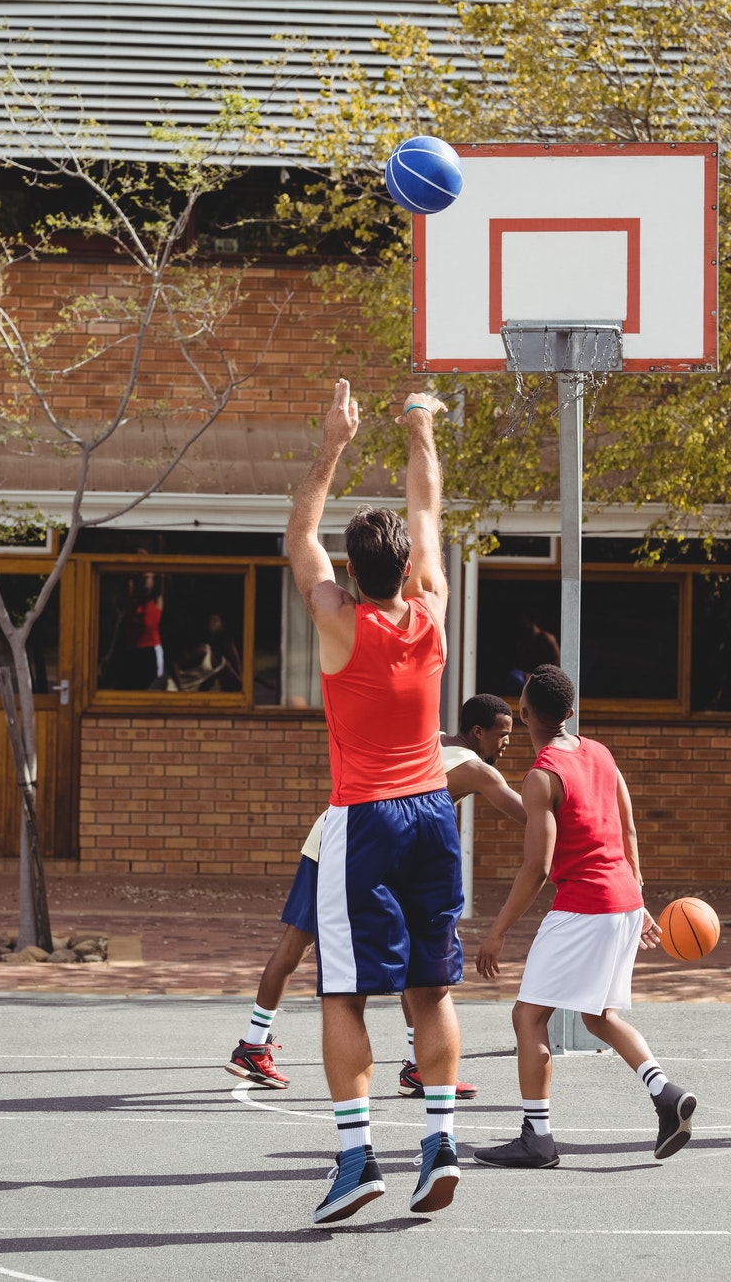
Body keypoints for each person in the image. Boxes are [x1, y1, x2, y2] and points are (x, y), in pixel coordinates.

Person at [287, 377, 466, 1225]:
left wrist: (333, 445)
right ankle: (440, 1141)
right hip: (435, 812)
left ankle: (357, 1157)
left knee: (342, 996)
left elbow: (298, 539)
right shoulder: (431, 609)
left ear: (353, 574)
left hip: (364, 821)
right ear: (406, 570)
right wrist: (420, 420)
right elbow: (426, 510)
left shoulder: (338, 620)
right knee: (430, 992)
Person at [226, 693, 525, 1096]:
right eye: (503, 735)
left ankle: (416, 1065)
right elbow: (526, 812)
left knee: (409, 955)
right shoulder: (476, 769)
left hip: (365, 842)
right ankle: (254, 1047)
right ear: (478, 732)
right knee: (299, 946)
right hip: (351, 846)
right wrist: (573, 801)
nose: (507, 743)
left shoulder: (430, 739)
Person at [474, 666, 697, 1169]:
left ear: (524, 713)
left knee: (528, 1015)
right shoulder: (600, 753)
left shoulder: (541, 777)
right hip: (620, 900)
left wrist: (497, 931)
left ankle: (538, 1137)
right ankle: (666, 1094)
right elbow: (630, 830)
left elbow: (538, 867)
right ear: (571, 713)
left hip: (585, 907)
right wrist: (637, 900)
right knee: (600, 1016)